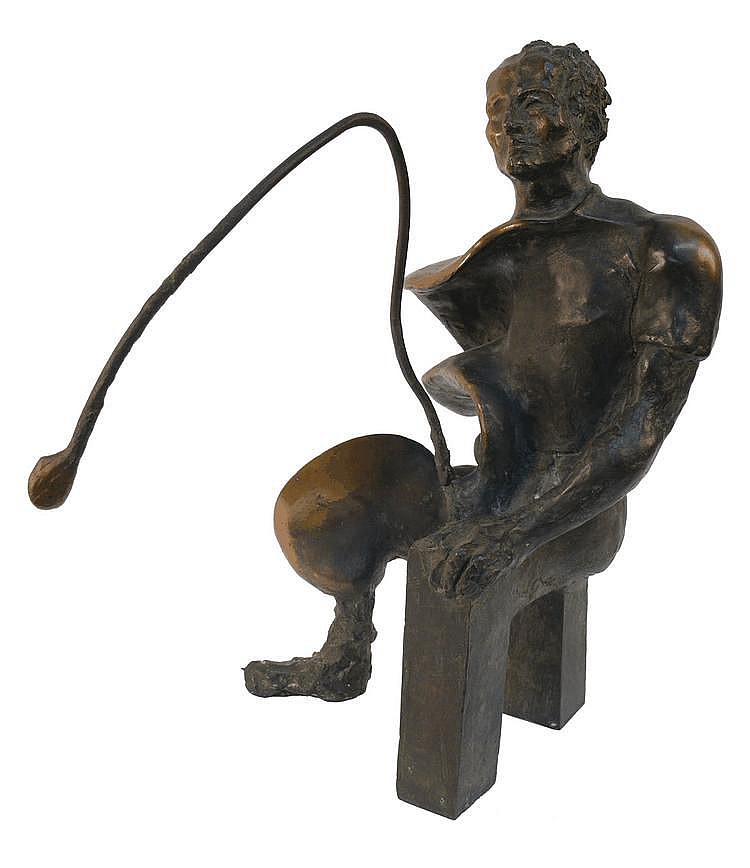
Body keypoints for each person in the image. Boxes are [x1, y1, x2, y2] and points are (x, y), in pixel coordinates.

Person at [244, 40, 721, 701]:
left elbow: (640, 429)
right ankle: (347, 646)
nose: (509, 124)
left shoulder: (665, 248)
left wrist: (515, 533)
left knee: (452, 566)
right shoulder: (493, 255)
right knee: (325, 504)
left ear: (587, 123)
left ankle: (464, 736)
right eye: (496, 111)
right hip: (498, 480)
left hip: (578, 507)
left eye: (533, 104)